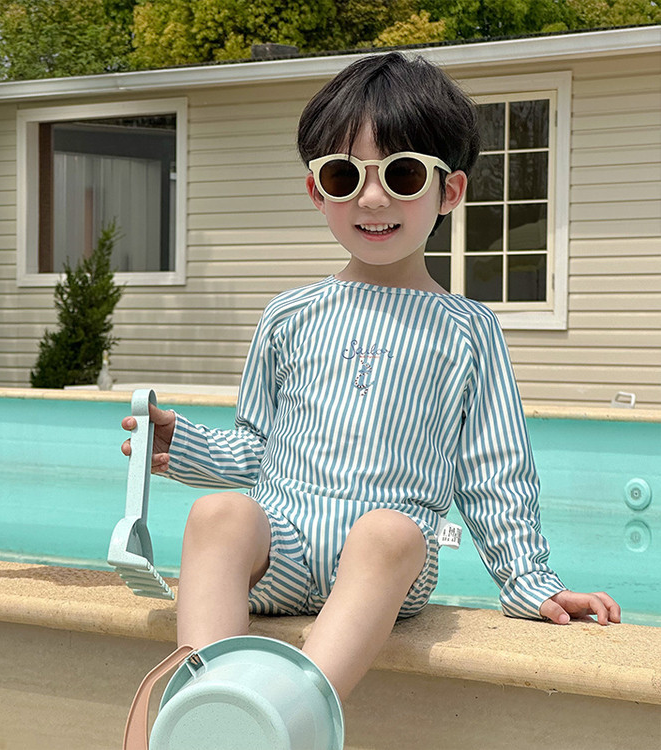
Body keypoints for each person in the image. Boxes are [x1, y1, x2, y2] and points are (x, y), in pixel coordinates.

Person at [121, 52, 620, 702]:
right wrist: (182, 446)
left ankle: (293, 712)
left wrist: (529, 582)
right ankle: (206, 703)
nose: (373, 197)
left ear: (450, 191)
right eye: (344, 174)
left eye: (403, 174)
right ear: (317, 191)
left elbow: (495, 471)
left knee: (388, 531)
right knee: (217, 514)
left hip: (385, 568)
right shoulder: (289, 315)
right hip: (282, 546)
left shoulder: (467, 330)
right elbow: (257, 446)